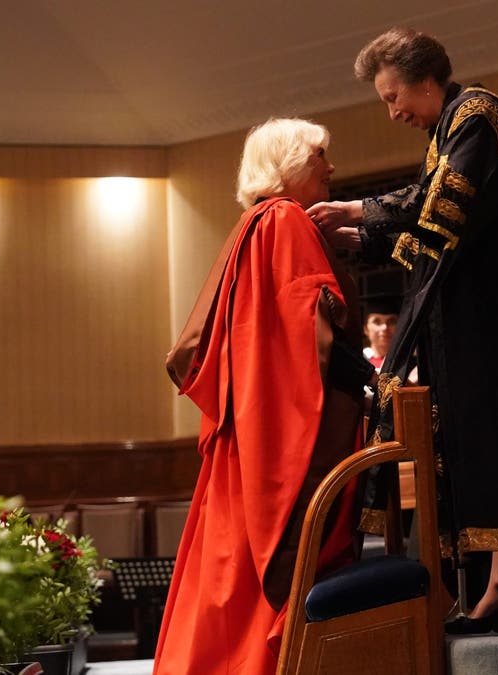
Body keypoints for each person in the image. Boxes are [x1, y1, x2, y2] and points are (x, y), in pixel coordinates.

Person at [307, 27, 498, 635]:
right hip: (493, 315)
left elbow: (442, 206)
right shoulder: (448, 129)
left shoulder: (477, 115)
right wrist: (362, 235)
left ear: (424, 79)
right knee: (493, 435)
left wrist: (358, 212)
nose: (392, 110)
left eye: (392, 95)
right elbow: (434, 224)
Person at [154, 118, 372, 674]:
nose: (330, 166)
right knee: (267, 565)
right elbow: (309, 324)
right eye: (320, 154)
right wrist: (373, 385)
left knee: (229, 568)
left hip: (250, 429)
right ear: (288, 163)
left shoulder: (254, 224)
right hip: (278, 431)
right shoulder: (285, 219)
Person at [361, 293, 400, 372]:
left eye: (391, 321)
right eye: (377, 322)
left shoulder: (410, 363)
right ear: (366, 329)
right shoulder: (359, 360)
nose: (385, 327)